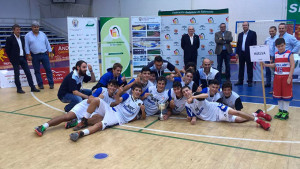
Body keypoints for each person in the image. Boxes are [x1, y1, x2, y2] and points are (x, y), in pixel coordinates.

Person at [34, 80, 120, 136]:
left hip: (93, 112)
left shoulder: (113, 98)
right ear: (108, 85)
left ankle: (77, 122)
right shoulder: (101, 90)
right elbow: (89, 100)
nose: (112, 88)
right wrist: (98, 98)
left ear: (116, 88)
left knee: (100, 118)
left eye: (114, 86)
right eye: (111, 85)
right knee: (67, 117)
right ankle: (43, 126)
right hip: (85, 106)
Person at [69, 83, 145, 142]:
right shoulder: (127, 96)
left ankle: (80, 133)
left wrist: (143, 110)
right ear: (133, 91)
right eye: (136, 90)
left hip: (117, 118)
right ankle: (83, 121)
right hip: (111, 109)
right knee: (96, 100)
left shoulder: (140, 102)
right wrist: (118, 93)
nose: (137, 92)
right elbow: (118, 101)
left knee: (99, 125)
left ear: (141, 92)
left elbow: (143, 117)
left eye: (139, 91)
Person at [182, 86, 271, 130]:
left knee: (236, 112)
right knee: (239, 120)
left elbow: (205, 95)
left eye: (187, 90)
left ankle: (260, 121)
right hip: (213, 118)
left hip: (216, 108)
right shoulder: (187, 105)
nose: (186, 93)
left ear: (190, 91)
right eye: (184, 92)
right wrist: (191, 119)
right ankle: (257, 113)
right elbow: (191, 115)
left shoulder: (196, 95)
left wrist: (193, 97)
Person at [263, 38, 295, 120]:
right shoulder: (276, 54)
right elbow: (275, 65)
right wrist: (266, 65)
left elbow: (292, 65)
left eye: (282, 46)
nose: (281, 48)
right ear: (276, 47)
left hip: (286, 77)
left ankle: (285, 112)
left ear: (285, 45)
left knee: (286, 95)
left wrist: (290, 77)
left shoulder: (289, 54)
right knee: (279, 95)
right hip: (277, 77)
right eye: (279, 46)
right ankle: (280, 111)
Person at [5, 24, 40, 93]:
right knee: (17, 74)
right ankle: (19, 89)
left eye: (19, 29)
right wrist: (11, 59)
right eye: (17, 30)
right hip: (15, 59)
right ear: (13, 30)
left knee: (28, 73)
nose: (18, 31)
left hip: (23, 58)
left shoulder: (22, 38)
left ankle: (32, 87)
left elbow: (24, 48)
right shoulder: (10, 38)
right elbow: (7, 50)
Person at [25, 21, 54, 89]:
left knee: (48, 69)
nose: (36, 28)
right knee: (37, 70)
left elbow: (47, 43)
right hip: (34, 55)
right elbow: (26, 46)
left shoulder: (43, 34)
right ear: (32, 27)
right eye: (35, 27)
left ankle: (51, 83)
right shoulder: (27, 35)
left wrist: (50, 52)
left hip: (44, 54)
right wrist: (28, 54)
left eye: (37, 27)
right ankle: (40, 84)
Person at [235, 22, 257, 87]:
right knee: (241, 68)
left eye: (246, 25)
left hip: (249, 53)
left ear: (248, 26)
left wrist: (253, 53)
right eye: (243, 25)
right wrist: (237, 53)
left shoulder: (253, 33)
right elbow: (238, 44)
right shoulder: (240, 34)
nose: (244, 26)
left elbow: (254, 43)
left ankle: (250, 81)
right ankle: (240, 81)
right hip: (241, 53)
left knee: (249, 68)